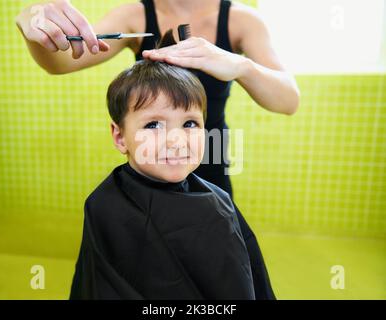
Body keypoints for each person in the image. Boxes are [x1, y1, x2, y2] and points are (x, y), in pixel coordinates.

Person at [16, 0, 300, 198]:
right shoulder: (134, 16)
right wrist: (35, 24)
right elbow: (60, 62)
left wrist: (241, 66)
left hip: (210, 155)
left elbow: (288, 100)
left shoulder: (242, 21)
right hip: (152, 162)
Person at [69, 41, 275, 299]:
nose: (176, 140)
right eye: (153, 125)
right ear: (120, 136)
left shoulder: (220, 205)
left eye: (190, 123)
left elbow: (245, 283)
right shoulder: (103, 207)